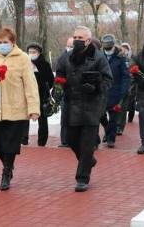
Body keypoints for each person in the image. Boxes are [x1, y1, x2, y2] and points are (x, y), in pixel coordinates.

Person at [56, 26, 113, 192]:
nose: (76, 40)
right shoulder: (65, 57)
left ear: (88, 40)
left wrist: (96, 87)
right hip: (71, 105)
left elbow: (108, 80)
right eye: (75, 37)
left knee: (87, 144)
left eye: (80, 37)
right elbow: (59, 76)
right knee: (72, 140)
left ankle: (82, 178)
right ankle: (88, 160)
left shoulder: (99, 57)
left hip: (91, 106)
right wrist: (58, 88)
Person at [0, 27, 40, 191]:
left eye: (6, 42)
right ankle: (7, 165)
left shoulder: (23, 58)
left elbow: (30, 84)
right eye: (0, 42)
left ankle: (6, 172)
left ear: (13, 43)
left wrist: (33, 108)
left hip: (16, 108)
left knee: (10, 144)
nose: (2, 45)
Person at [100, 34, 130, 148]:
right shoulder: (99, 56)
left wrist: (123, 92)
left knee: (113, 118)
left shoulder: (121, 57)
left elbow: (126, 76)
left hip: (116, 92)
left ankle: (111, 139)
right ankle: (108, 131)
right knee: (100, 115)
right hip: (102, 91)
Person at [25, 42, 54, 146]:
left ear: (39, 53)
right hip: (26, 96)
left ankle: (42, 142)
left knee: (42, 120)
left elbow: (50, 80)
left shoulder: (44, 64)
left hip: (41, 96)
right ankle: (23, 140)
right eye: (29, 52)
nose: (31, 54)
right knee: (24, 118)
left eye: (34, 52)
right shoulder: (25, 63)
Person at [56, 37, 74, 147]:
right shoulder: (62, 58)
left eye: (72, 46)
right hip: (65, 92)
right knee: (65, 117)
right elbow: (58, 73)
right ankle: (65, 140)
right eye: (68, 46)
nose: (69, 48)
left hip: (77, 92)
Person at [116, 42, 136, 134]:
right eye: (122, 48)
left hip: (128, 87)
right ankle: (115, 126)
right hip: (117, 87)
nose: (124, 50)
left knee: (123, 108)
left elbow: (131, 75)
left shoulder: (131, 60)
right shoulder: (117, 59)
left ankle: (120, 127)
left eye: (126, 48)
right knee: (116, 108)